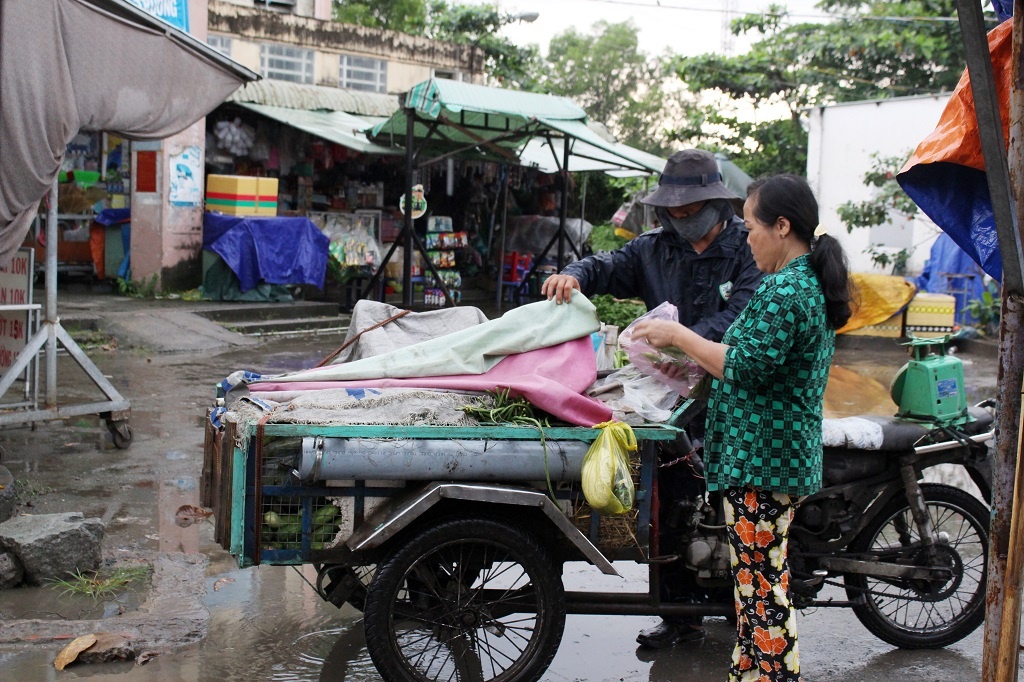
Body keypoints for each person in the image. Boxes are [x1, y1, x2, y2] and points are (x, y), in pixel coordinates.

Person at [542, 148, 765, 648]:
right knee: (669, 502)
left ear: (716, 204)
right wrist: (574, 274)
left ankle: (746, 608)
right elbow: (608, 264)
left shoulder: (751, 248)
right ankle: (679, 615)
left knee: (741, 504)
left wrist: (683, 346)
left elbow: (741, 318)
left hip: (736, 395)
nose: (681, 221)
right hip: (671, 400)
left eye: (690, 213)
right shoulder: (654, 248)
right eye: (673, 213)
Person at [632, 174, 852, 681]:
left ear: (781, 226)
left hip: (763, 459)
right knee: (755, 582)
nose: (745, 237)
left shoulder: (785, 289)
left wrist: (678, 335)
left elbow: (745, 365)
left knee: (761, 584)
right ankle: (751, 673)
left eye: (750, 226)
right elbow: (748, 365)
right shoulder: (800, 284)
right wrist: (685, 360)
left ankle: (773, 675)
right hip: (770, 456)